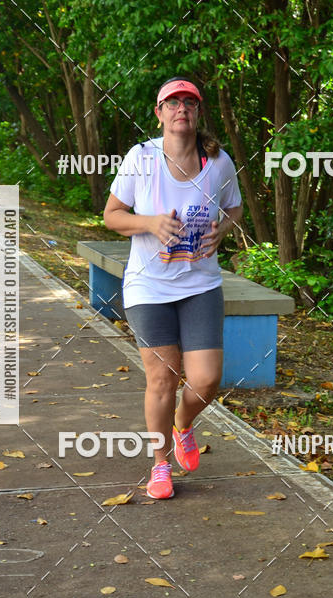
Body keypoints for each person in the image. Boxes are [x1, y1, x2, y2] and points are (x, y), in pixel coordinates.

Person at [103, 77, 243, 499]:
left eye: (189, 102)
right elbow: (112, 215)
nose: (181, 108)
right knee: (161, 379)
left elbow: (234, 207)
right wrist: (149, 223)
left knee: (206, 379)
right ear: (160, 112)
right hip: (148, 286)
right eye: (173, 102)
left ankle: (184, 424)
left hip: (200, 282)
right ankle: (160, 466)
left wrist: (224, 231)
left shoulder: (218, 163)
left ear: (197, 113)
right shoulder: (140, 159)